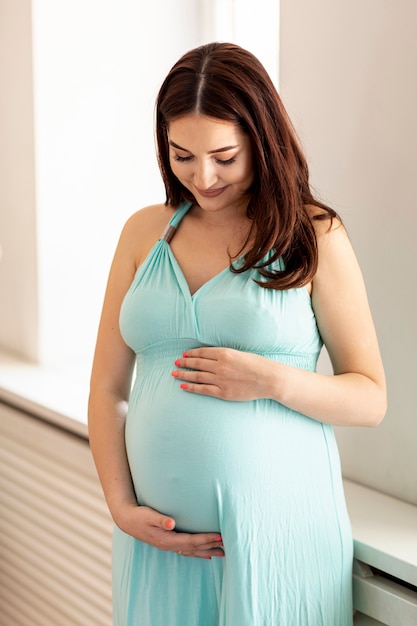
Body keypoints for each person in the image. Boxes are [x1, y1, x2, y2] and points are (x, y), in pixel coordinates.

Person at [88, 42, 386, 626]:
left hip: (280, 535)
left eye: (225, 156)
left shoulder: (315, 235)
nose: (203, 176)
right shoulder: (143, 233)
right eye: (182, 155)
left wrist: (270, 379)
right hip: (158, 544)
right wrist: (121, 507)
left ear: (261, 139)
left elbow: (370, 397)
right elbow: (105, 390)